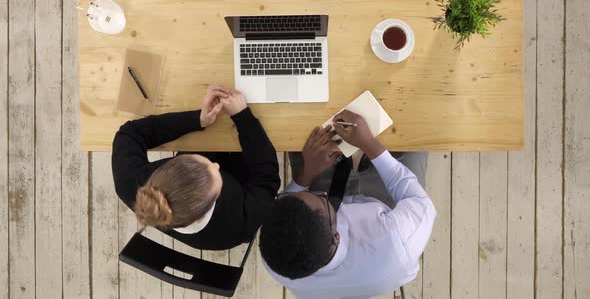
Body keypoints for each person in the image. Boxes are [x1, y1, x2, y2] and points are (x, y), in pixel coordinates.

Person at [259, 110, 436, 299]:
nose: (315, 192)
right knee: (417, 130)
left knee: (309, 139)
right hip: (386, 205)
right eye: (319, 197)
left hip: (322, 215)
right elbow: (419, 200)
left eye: (305, 193)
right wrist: (369, 143)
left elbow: (290, 201)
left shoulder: (274, 254)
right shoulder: (396, 241)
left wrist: (306, 175)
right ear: (336, 236)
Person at [112, 85, 280, 250]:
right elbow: (267, 178)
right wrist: (242, 117)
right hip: (244, 184)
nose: (216, 165)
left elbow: (130, 133)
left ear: (171, 165)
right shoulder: (239, 226)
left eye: (197, 159)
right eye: (218, 178)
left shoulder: (130, 184)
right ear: (202, 214)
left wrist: (198, 119)